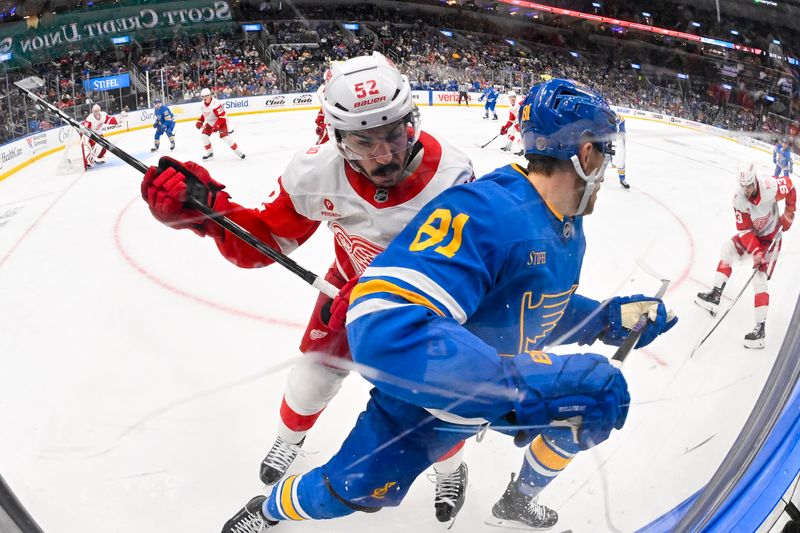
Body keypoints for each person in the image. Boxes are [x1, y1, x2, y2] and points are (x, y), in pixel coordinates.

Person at [220, 78, 677, 532]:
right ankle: (269, 509)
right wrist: (522, 385)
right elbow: (383, 325)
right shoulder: (485, 212)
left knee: (584, 409)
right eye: (606, 150)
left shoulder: (565, 220)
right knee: (349, 492)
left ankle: (518, 500)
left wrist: (604, 319)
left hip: (493, 391)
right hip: (428, 408)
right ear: (585, 153)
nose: (607, 162)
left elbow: (525, 307)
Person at [139, 52, 475, 524]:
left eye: (394, 135)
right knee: (310, 379)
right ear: (337, 138)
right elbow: (265, 244)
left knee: (430, 406)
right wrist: (212, 215)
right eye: (364, 141)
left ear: (411, 123)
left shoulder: (452, 177)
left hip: (423, 310)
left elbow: (470, 274)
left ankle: (451, 468)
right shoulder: (317, 172)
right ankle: (290, 439)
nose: (384, 156)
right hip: (345, 292)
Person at [695, 162, 794, 348]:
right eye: (743, 187)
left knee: (759, 277)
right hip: (754, 236)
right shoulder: (738, 199)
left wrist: (789, 212)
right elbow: (745, 231)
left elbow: (790, 186)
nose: (747, 190)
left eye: (749, 186)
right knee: (727, 249)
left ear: (755, 181)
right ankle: (715, 295)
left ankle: (760, 331)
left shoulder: (769, 187)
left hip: (772, 239)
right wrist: (756, 252)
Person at [196, 87, 245, 161]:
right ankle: (210, 153)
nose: (205, 98)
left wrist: (217, 125)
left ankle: (238, 151)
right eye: (203, 97)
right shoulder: (202, 104)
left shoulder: (215, 103)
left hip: (221, 121)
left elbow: (222, 117)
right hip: (210, 122)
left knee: (225, 137)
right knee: (204, 136)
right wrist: (200, 121)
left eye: (207, 96)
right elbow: (205, 114)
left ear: (210, 95)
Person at [500, 90, 522, 155]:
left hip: (524, 121)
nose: (512, 98)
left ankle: (523, 149)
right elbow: (511, 119)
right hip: (518, 121)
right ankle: (508, 146)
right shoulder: (511, 107)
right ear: (508, 98)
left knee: (521, 134)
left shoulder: (520, 103)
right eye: (511, 97)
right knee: (511, 129)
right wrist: (505, 127)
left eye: (513, 97)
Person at [615, 114, 630, 189]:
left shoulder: (617, 116)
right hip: (610, 138)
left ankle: (622, 179)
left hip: (619, 140)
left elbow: (621, 119)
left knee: (621, 159)